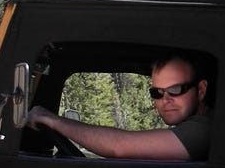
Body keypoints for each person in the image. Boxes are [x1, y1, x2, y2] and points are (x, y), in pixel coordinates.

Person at [27, 54, 211, 161]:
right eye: (157, 93)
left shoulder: (204, 130)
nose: (165, 99)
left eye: (175, 89)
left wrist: (53, 120)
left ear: (201, 90)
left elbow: (119, 146)